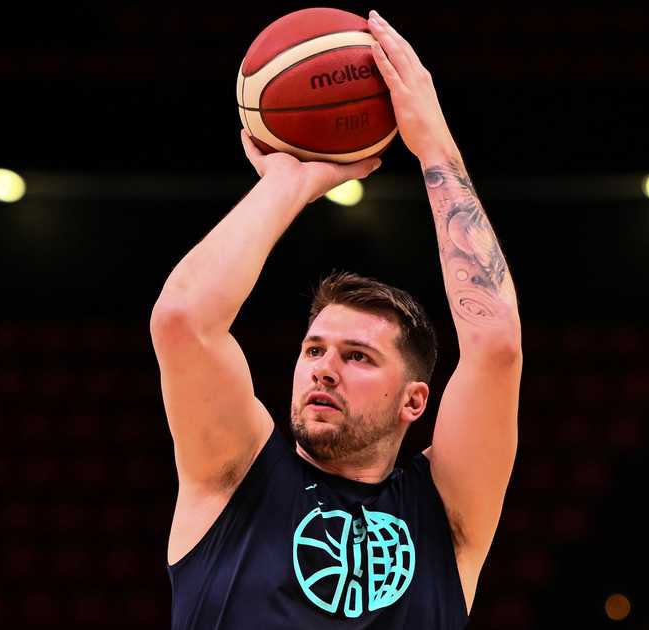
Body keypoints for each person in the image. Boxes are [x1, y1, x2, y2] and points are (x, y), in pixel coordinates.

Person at [151, 10, 521, 628]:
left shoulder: (447, 515)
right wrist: (286, 182)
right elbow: (184, 320)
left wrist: (432, 141)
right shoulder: (235, 475)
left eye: (358, 357)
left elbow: (496, 345)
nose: (324, 369)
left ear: (414, 400)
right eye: (315, 349)